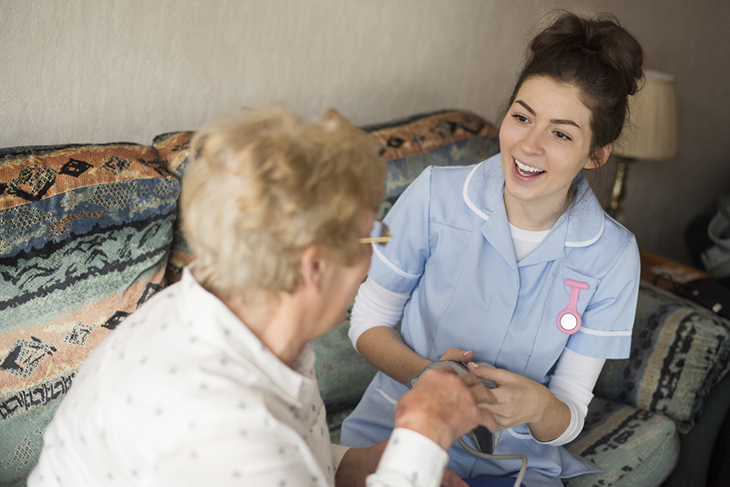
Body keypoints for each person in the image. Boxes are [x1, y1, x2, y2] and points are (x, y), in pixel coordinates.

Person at [27, 106, 497, 487]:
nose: (373, 262)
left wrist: (359, 465)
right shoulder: (216, 419)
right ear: (314, 267)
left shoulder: (228, 321)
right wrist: (423, 434)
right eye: (369, 237)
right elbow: (250, 447)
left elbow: (285, 454)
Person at [340, 11, 644, 486]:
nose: (529, 145)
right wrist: (426, 379)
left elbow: (569, 410)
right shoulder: (435, 196)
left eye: (561, 133)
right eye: (522, 117)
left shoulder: (613, 256)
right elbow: (368, 321)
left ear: (596, 154)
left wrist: (540, 406)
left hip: (516, 464)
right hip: (396, 431)